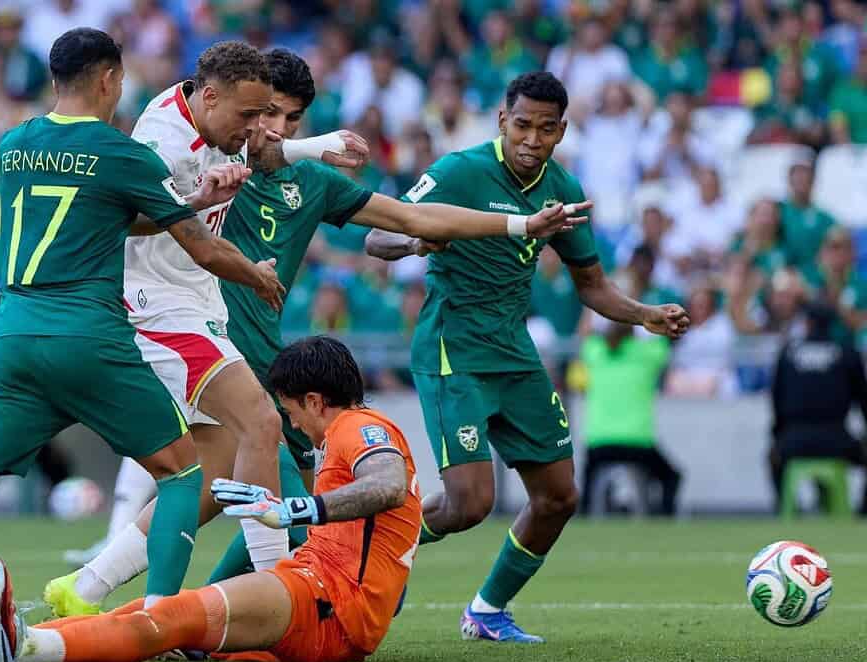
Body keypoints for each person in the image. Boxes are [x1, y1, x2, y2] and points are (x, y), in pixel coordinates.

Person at [45, 49, 592, 617]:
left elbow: (408, 220)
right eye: (266, 116)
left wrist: (519, 225)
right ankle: (243, 609)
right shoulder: (218, 152)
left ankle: (97, 588)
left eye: (292, 121)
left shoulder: (311, 182)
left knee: (217, 485)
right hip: (201, 342)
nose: (274, 131)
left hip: (264, 362)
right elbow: (159, 186)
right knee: (275, 493)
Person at [0, 28, 279, 662]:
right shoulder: (123, 153)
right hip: (88, 337)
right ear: (110, 79)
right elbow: (196, 244)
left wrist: (188, 197)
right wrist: (255, 271)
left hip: (8, 336)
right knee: (183, 474)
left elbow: (106, 211)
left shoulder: (14, 144)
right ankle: (158, 621)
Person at [365, 71, 690, 643]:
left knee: (559, 496)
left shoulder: (561, 189)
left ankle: (487, 611)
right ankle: (389, 543)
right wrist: (417, 241)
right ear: (501, 121)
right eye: (522, 125)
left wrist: (642, 314)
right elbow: (377, 236)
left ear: (562, 131)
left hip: (515, 353)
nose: (531, 140)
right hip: (453, 350)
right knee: (469, 504)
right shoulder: (459, 171)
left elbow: (591, 285)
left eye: (545, 129)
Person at [0, 336, 423, 662]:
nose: (294, 423)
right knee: (149, 616)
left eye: (291, 411)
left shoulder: (357, 427)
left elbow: (388, 484)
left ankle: (25, 649)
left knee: (169, 616)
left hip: (330, 604)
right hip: (323, 597)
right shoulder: (349, 433)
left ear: (313, 400)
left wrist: (296, 510)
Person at [769, 303, 867, 514]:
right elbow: (863, 400)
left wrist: (778, 438)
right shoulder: (847, 353)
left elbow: (776, 401)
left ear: (807, 323)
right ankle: (863, 512)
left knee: (772, 458)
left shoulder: (788, 353)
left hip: (793, 441)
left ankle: (789, 511)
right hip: (838, 441)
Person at [580, 322, 681, 516]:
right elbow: (663, 338)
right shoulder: (645, 355)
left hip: (599, 442)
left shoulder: (596, 353)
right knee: (671, 477)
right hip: (638, 443)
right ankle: (664, 521)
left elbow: (584, 334)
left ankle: (585, 516)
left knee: (588, 481)